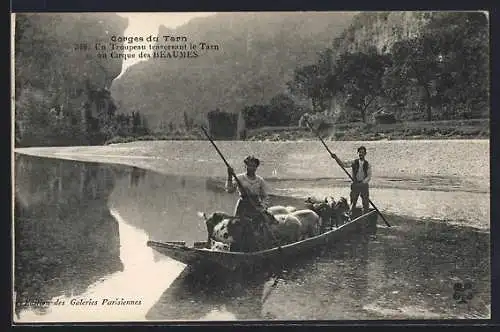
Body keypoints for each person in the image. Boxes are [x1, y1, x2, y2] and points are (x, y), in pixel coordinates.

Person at [225, 155, 271, 221]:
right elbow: (230, 190)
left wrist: (262, 207)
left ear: (256, 167)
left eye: (254, 166)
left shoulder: (260, 180)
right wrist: (229, 176)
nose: (251, 168)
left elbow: (265, 197)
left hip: (256, 207)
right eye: (249, 165)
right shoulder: (239, 178)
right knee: (238, 226)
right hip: (243, 207)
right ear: (245, 166)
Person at [331, 146, 372, 214]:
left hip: (364, 186)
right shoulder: (353, 162)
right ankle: (351, 217)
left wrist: (362, 183)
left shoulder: (368, 164)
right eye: (359, 152)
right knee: (353, 202)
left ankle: (365, 219)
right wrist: (336, 158)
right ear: (358, 153)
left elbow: (369, 176)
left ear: (365, 154)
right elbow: (343, 164)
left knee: (365, 204)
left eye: (362, 152)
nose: (361, 154)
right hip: (355, 185)